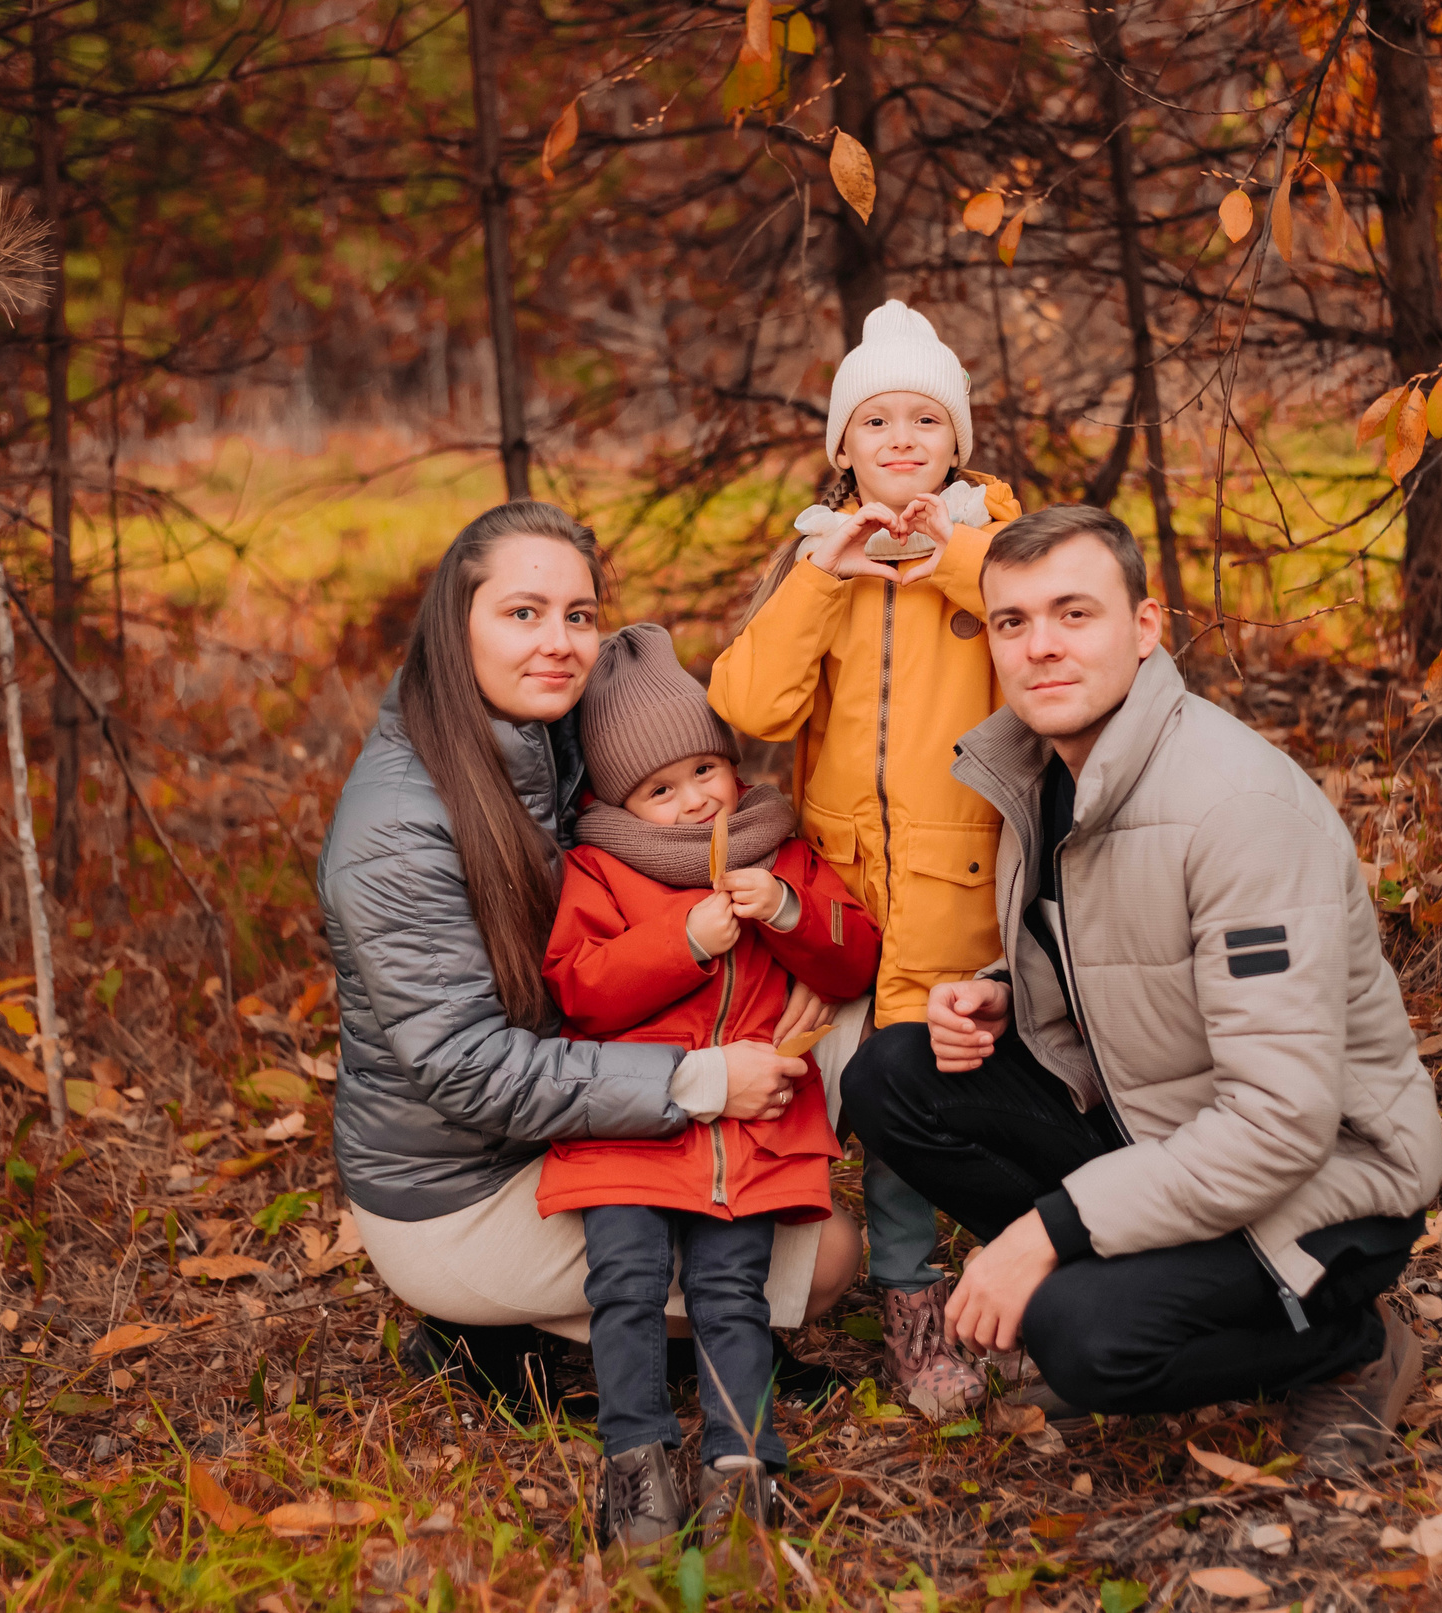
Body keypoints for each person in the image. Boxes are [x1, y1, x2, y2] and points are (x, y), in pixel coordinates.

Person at [842, 506, 1442, 1474]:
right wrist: (1005, 987)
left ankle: (1348, 1343)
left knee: (1084, 1341)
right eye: (1011, 621)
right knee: (894, 1074)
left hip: (1325, 1176)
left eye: (1073, 612)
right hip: (1163, 1121)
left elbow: (1284, 1119)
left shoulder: (1233, 807)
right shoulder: (1041, 768)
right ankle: (1130, 1283)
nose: (1040, 646)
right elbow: (1127, 948)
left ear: (1145, 625)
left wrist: (1047, 1231)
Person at [318, 502, 862, 1410]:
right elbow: (468, 1070)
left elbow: (698, 756)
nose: (559, 642)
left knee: (857, 1012)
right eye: (523, 613)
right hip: (467, 1182)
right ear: (457, 626)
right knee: (830, 1258)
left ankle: (603, 1307)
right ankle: (489, 1322)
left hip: (574, 1096)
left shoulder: (553, 732)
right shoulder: (397, 832)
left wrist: (797, 937)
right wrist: (696, 1082)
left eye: (578, 615)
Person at [706, 300, 1021, 1414]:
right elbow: (747, 700)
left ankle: (980, 1297)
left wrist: (948, 556)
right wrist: (825, 573)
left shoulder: (994, 550)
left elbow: (1045, 640)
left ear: (955, 442)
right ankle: (881, 1303)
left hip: (964, 887)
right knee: (847, 1105)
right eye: (874, 420)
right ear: (841, 446)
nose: (898, 439)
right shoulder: (819, 565)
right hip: (841, 894)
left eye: (923, 419)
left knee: (943, 1096)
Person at [535, 624, 882, 1547]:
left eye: (704, 771)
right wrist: (684, 938)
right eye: (659, 790)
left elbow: (855, 960)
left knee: (735, 1294)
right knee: (627, 1284)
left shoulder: (782, 853)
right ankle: (636, 1463)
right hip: (630, 1129)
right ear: (619, 800)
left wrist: (791, 911)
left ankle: (742, 1463)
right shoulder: (600, 870)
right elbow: (580, 986)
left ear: (732, 764)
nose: (693, 801)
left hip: (752, 1136)